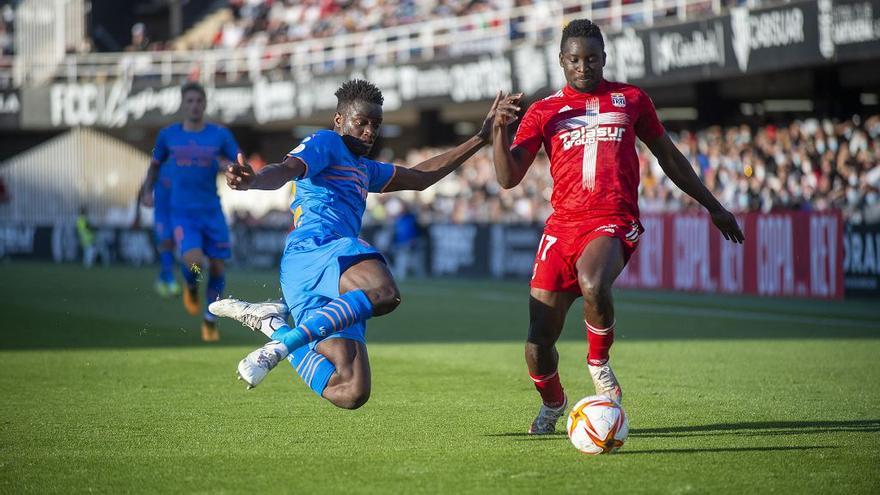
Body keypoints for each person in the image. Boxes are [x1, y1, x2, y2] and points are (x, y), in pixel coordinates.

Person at [490, 19, 744, 434]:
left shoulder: (631, 99)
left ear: (604, 58)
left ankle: (599, 363)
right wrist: (499, 131)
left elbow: (670, 156)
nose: (583, 67)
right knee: (537, 343)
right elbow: (507, 178)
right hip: (561, 229)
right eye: (574, 60)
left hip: (612, 219)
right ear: (561, 62)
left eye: (592, 58)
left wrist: (712, 206)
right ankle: (554, 404)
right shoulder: (544, 111)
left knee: (593, 283)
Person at [209, 79, 514, 409]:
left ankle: (276, 329)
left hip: (327, 266)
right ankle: (281, 347)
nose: (370, 131)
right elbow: (286, 170)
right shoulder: (326, 143)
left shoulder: (365, 169)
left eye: (376, 125)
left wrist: (481, 137)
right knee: (384, 292)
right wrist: (254, 180)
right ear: (339, 120)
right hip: (316, 249)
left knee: (351, 390)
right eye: (362, 122)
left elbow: (422, 177)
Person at [139, 82, 241, 342]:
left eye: (199, 101)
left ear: (205, 104)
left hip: (212, 211)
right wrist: (147, 190)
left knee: (217, 267)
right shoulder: (168, 135)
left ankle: (210, 319)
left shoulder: (219, 135)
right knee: (195, 261)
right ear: (183, 104)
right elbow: (154, 165)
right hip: (182, 212)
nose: (195, 105)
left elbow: (239, 159)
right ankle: (192, 283)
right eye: (190, 101)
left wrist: (237, 169)